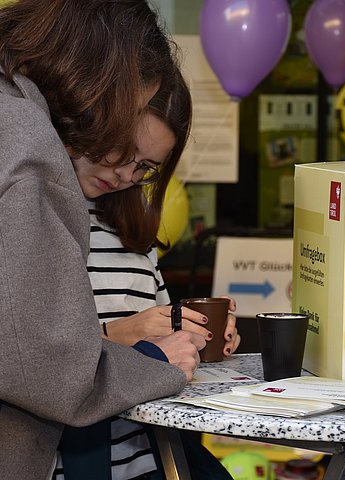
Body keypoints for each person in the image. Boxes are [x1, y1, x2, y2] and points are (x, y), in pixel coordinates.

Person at [0, 2, 206, 478]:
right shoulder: (26, 147)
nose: (124, 170)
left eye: (144, 168)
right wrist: (155, 359)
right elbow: (44, 366)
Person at [53, 69, 239, 480]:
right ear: (94, 121)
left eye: (145, 167)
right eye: (122, 151)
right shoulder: (41, 218)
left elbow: (161, 350)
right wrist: (119, 335)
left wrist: (195, 337)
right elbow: (31, 358)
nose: (125, 175)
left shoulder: (133, 235)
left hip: (150, 459)